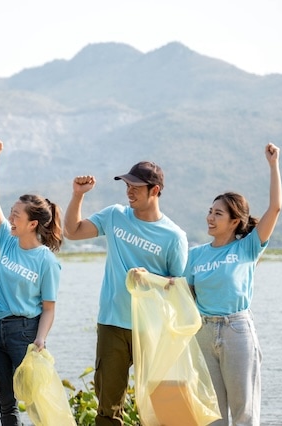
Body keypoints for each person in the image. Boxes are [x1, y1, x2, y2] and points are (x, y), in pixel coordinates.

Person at [63, 160, 188, 425]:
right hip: (112, 324)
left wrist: (150, 279)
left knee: (158, 404)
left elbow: (178, 286)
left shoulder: (174, 236)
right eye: (128, 185)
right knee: (108, 407)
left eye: (137, 187)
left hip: (152, 329)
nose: (129, 191)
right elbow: (72, 232)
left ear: (154, 191)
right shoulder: (114, 216)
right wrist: (77, 195)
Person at [184, 143, 282, 425]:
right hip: (203, 333)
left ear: (234, 221)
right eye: (209, 211)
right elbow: (181, 292)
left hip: (236, 331)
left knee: (244, 413)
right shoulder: (195, 254)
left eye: (218, 214)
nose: (210, 218)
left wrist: (273, 165)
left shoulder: (248, 248)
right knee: (212, 414)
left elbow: (275, 208)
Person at [0, 139, 63, 426]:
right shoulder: (7, 240)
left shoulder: (46, 260)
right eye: (11, 213)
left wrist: (41, 338)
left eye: (16, 215)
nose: (10, 218)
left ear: (32, 224)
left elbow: (49, 307)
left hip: (24, 333)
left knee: (35, 400)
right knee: (6, 401)